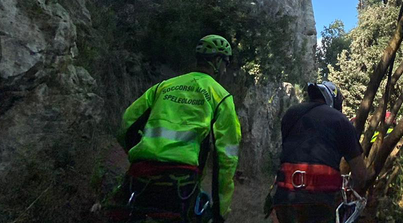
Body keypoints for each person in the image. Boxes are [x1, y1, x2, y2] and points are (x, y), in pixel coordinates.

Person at [112, 35, 242, 223]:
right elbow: (227, 157)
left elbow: (126, 123)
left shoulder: (164, 86)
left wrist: (138, 151)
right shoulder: (221, 97)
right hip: (182, 179)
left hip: (141, 173)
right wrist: (220, 209)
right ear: (217, 61)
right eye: (225, 63)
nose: (225, 69)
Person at [270, 81, 368, 223]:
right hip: (319, 202)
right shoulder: (341, 121)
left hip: (284, 197)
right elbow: (361, 174)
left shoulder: (290, 114)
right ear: (334, 102)